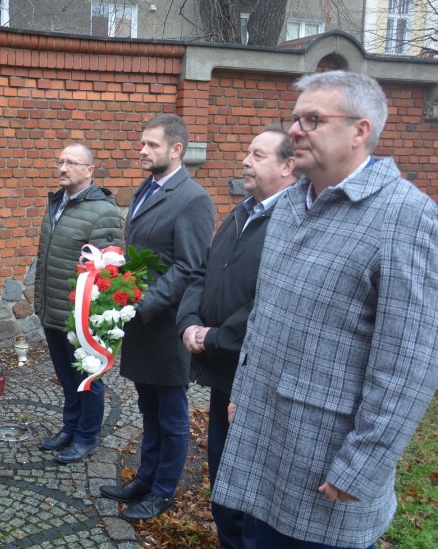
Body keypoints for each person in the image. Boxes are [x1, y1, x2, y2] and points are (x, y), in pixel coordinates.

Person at [213, 71, 437, 548]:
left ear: (360, 131)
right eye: (295, 118)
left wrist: (363, 465)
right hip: (263, 438)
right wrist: (243, 390)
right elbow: (265, 313)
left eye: (313, 119)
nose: (295, 130)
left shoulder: (406, 216)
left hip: (326, 466)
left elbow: (410, 362)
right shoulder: (291, 204)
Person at [176, 127, 297, 548]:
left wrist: (214, 337)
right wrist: (189, 322)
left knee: (248, 484)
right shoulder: (242, 211)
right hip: (221, 372)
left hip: (255, 374)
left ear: (288, 167)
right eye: (247, 153)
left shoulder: (292, 222)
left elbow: (271, 299)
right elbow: (204, 272)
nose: (245, 161)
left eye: (257, 155)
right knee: (222, 473)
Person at [100, 114, 214, 520]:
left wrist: (140, 306)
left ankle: (164, 489)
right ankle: (144, 478)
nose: (142, 151)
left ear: (176, 149)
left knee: (171, 414)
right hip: (141, 323)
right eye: (142, 144)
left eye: (151, 145)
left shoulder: (194, 199)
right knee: (147, 407)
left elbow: (189, 267)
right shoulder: (146, 188)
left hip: (166, 325)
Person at [33, 143, 122, 464]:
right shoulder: (57, 202)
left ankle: (87, 437)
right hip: (53, 309)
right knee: (66, 377)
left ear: (89, 170)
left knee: (87, 379)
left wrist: (93, 318)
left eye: (71, 162)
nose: (62, 168)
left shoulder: (103, 211)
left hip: (80, 317)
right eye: (60, 161)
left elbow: (107, 269)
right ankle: (69, 428)